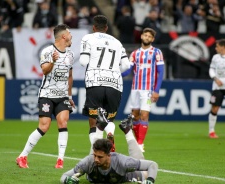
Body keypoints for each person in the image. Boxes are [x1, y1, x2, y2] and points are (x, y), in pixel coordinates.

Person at [16, 24, 76, 169]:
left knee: (63, 123)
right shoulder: (47, 51)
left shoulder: (70, 54)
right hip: (47, 94)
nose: (71, 35)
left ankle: (60, 161)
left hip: (62, 96)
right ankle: (22, 156)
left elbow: (70, 76)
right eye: (69, 33)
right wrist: (53, 61)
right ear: (63, 36)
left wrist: (69, 95)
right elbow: (44, 70)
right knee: (44, 126)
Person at [60, 110, 158, 184]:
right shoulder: (89, 161)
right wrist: (67, 180)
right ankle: (100, 127)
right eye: (95, 156)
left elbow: (152, 165)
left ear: (109, 155)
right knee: (91, 158)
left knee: (144, 172)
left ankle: (127, 130)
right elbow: (64, 176)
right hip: (98, 175)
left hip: (128, 176)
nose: (96, 159)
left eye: (100, 157)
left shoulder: (122, 161)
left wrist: (150, 180)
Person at [79, 15, 130, 153]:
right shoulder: (117, 42)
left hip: (95, 82)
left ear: (93, 27)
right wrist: (113, 71)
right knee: (108, 120)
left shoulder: (88, 38)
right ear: (106, 28)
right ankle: (110, 134)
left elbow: (83, 61)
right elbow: (126, 65)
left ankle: (96, 151)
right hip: (115, 84)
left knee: (94, 121)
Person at [122, 28, 165, 152]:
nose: (147, 38)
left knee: (144, 115)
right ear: (141, 36)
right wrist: (117, 74)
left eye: (149, 36)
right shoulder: (135, 53)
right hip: (135, 89)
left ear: (152, 39)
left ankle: (140, 144)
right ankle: (137, 142)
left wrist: (156, 90)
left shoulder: (157, 52)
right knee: (135, 117)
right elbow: (129, 71)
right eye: (145, 35)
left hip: (148, 90)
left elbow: (160, 72)